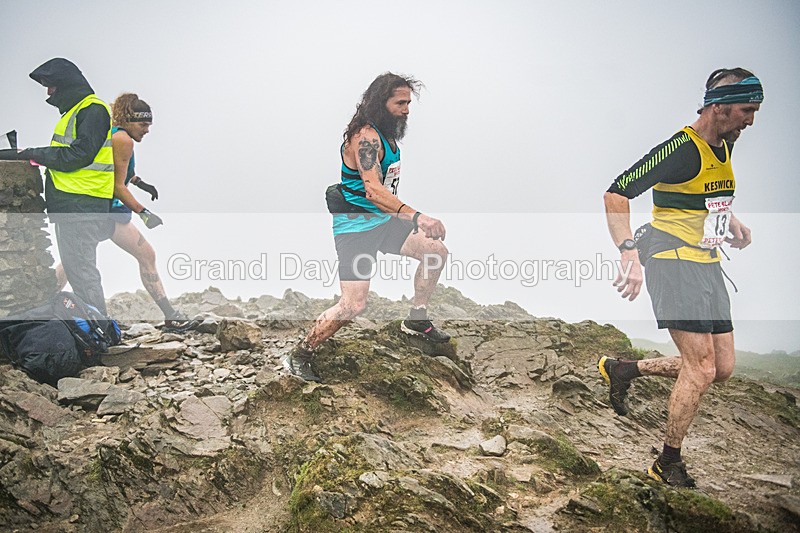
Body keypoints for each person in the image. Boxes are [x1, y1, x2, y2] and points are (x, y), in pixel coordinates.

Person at [600, 68, 763, 487]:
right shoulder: (679, 148)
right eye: (747, 110)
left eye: (755, 111)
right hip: (672, 262)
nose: (751, 120)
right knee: (701, 367)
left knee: (721, 367)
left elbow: (704, 194)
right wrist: (627, 253)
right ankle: (667, 462)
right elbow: (616, 192)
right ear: (718, 105)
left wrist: (730, 222)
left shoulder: (723, 145)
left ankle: (623, 370)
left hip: (707, 263)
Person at [285, 72, 450, 382]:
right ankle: (301, 353)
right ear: (380, 103)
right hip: (355, 229)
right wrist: (418, 218)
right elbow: (373, 190)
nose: (407, 109)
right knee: (353, 305)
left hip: (384, 222)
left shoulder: (388, 138)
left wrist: (406, 219)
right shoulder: (366, 137)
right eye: (400, 103)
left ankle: (416, 319)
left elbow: (385, 193)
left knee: (435, 252)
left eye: (409, 103)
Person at [53, 93, 196, 331]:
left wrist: (140, 183)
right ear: (129, 121)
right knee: (145, 255)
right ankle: (171, 315)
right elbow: (117, 187)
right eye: (143, 124)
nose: (147, 130)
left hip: (100, 210)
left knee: (72, 262)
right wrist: (144, 212)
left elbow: (120, 171)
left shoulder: (115, 134)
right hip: (108, 212)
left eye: (149, 124)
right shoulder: (123, 140)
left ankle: (42, 304)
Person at [0, 58, 116, 314]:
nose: (49, 93)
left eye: (51, 86)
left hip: (82, 203)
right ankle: (97, 329)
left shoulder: (92, 109)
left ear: (66, 83)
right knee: (78, 270)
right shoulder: (78, 111)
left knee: (82, 272)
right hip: (75, 203)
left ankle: (99, 333)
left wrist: (33, 153)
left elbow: (79, 155)